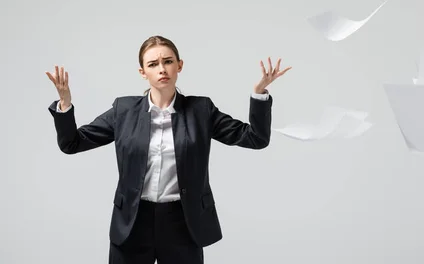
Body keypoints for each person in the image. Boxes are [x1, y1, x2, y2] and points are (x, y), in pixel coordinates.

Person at [46, 35, 291, 264]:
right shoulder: (123, 111)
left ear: (179, 66)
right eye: (153, 64)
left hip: (183, 222)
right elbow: (72, 143)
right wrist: (65, 105)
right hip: (132, 222)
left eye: (168, 61)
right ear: (143, 72)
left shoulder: (201, 110)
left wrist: (259, 95)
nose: (162, 68)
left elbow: (256, 138)